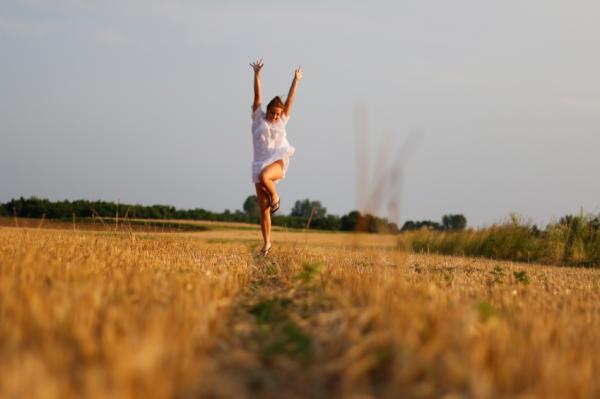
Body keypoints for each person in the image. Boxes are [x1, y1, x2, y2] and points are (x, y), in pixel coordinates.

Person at [250, 59, 302, 256]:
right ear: (268, 111)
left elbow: (289, 101)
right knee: (263, 209)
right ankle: (267, 244)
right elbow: (257, 95)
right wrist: (257, 74)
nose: (274, 117)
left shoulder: (281, 121)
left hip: (278, 160)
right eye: (272, 113)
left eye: (277, 114)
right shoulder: (258, 118)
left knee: (265, 177)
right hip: (258, 163)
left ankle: (276, 197)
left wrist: (295, 80)